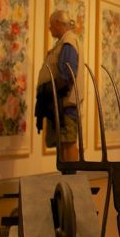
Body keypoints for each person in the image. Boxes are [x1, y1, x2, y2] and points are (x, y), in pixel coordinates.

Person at [35, 10, 84, 161]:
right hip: (59, 105)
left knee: (68, 142)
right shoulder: (63, 43)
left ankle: (71, 180)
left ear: (58, 23)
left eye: (51, 24)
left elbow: (67, 75)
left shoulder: (68, 43)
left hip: (65, 106)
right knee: (62, 143)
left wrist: (50, 92)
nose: (49, 28)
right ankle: (66, 180)